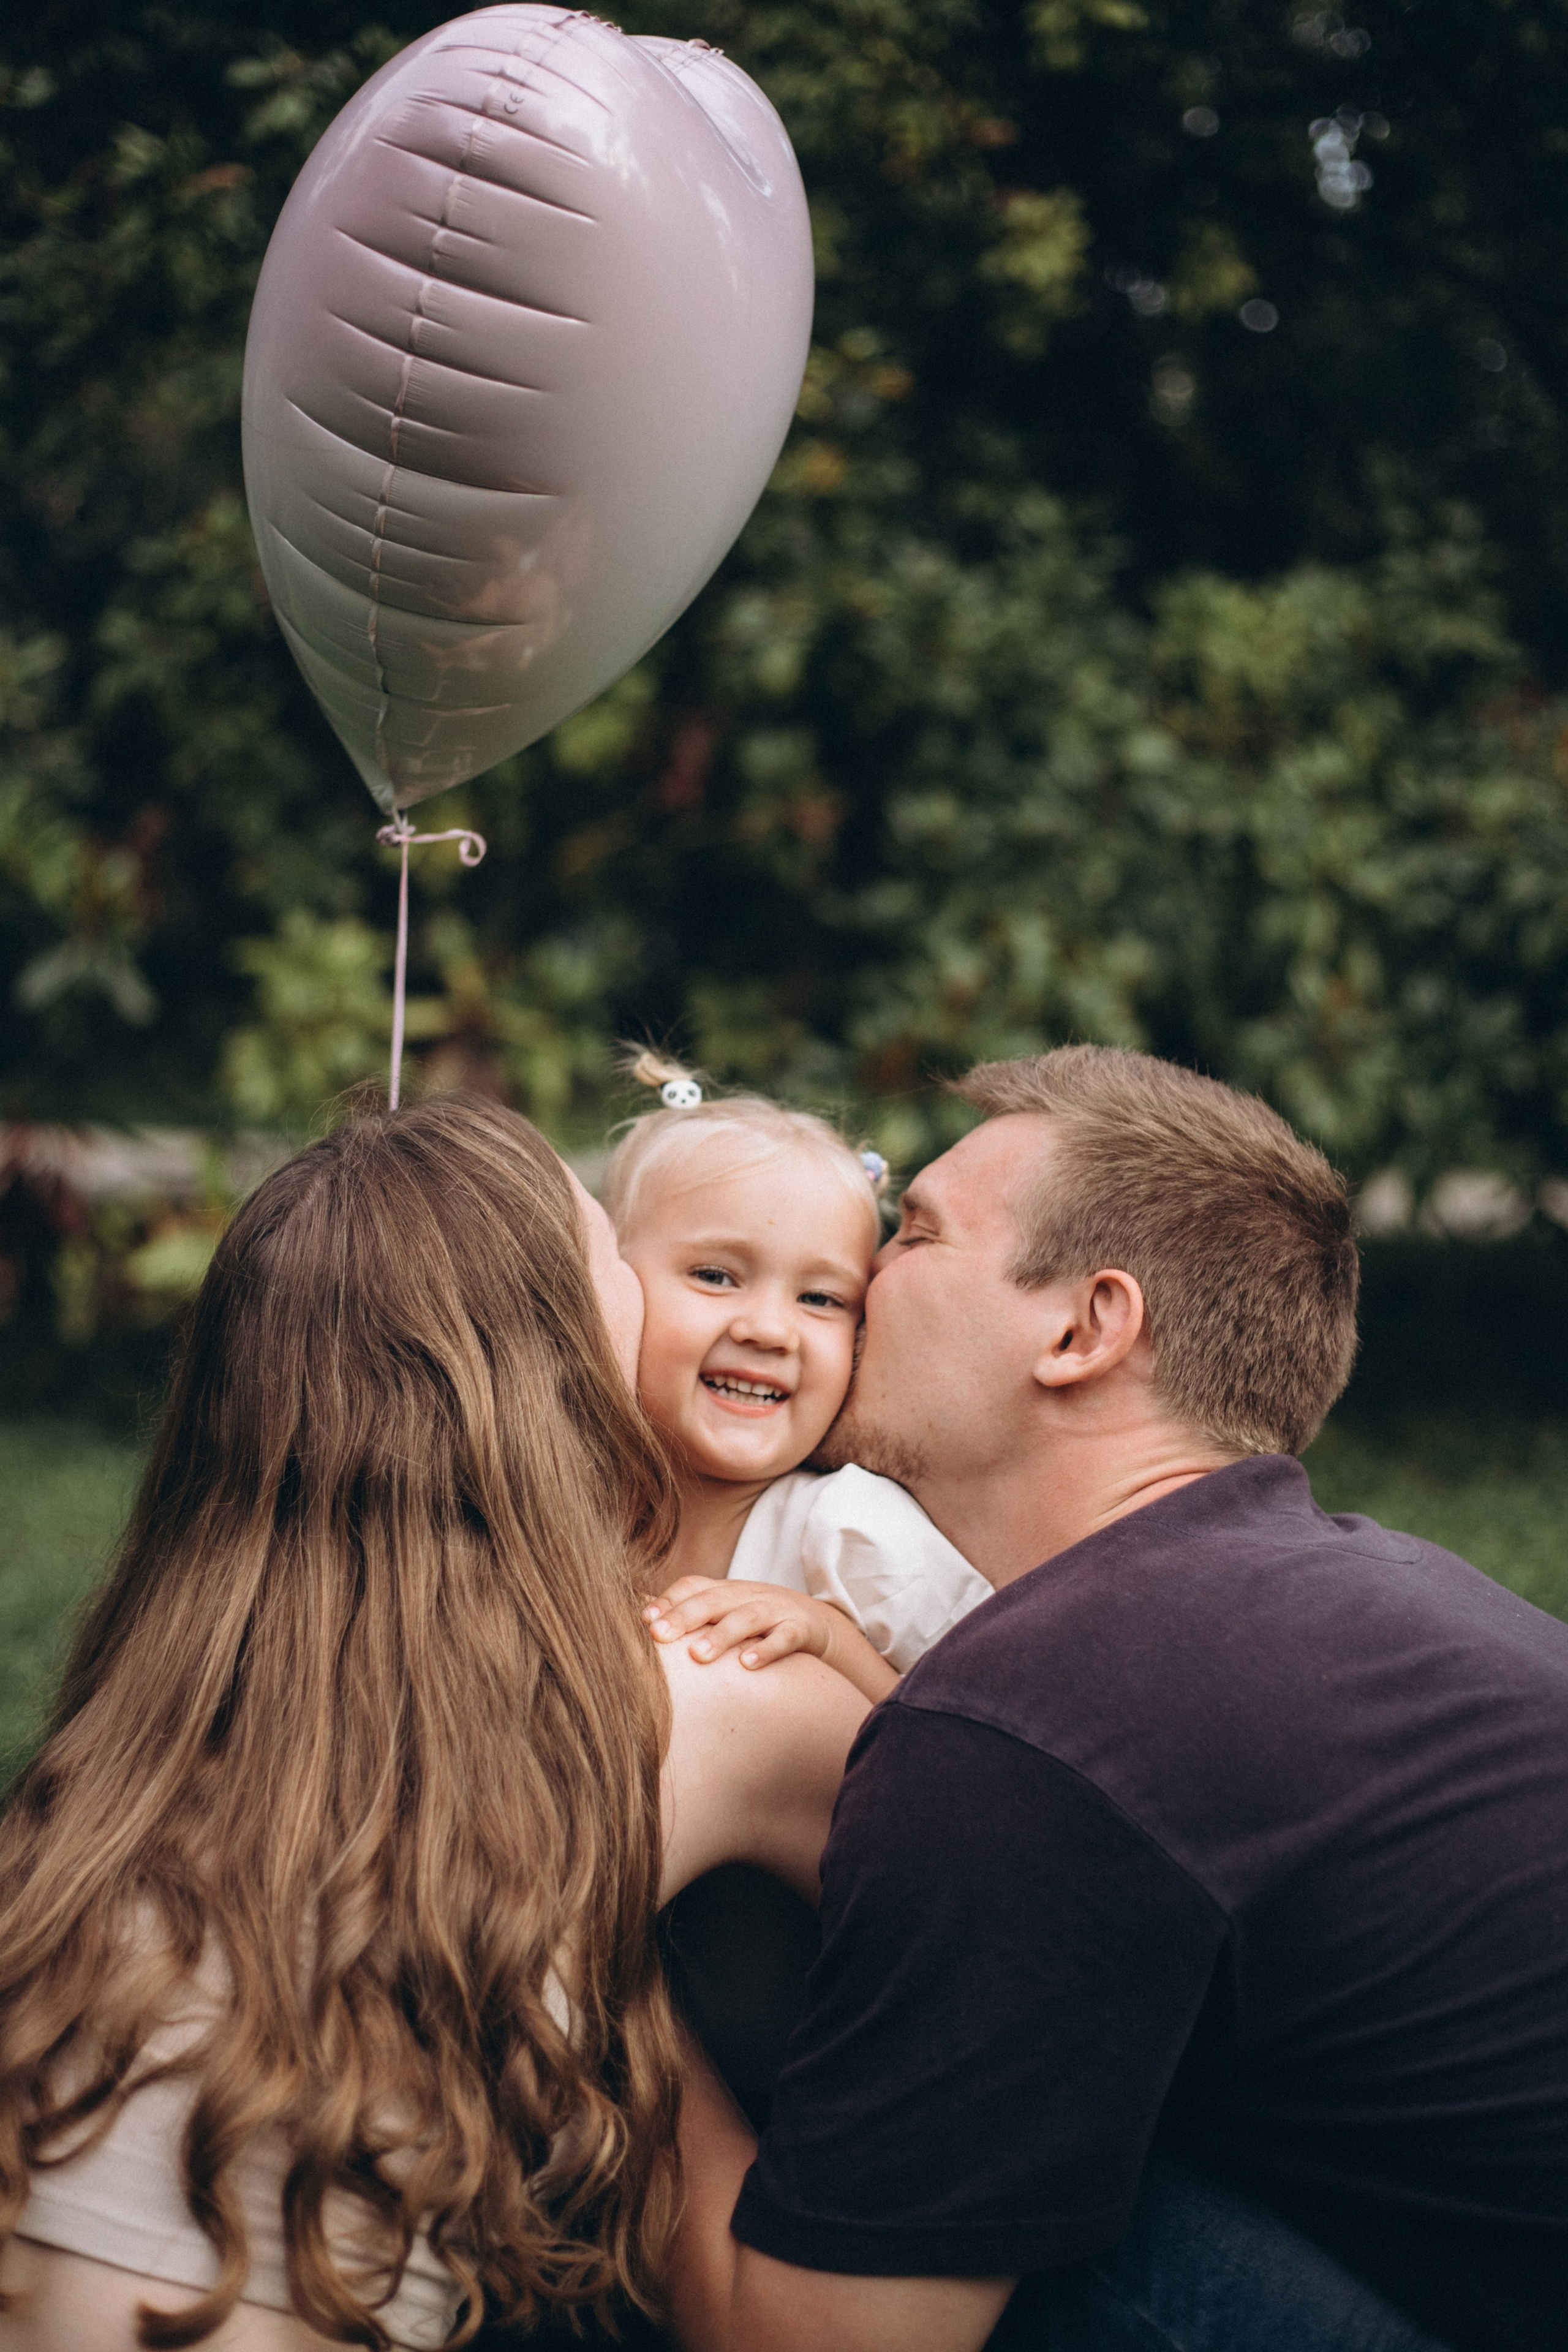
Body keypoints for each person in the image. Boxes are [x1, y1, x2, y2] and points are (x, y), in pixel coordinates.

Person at [665, 1046, 1568, 2352]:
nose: (860, 1277)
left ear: (1083, 1329)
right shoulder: (1366, 1596)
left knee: (969, 2216)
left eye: (912, 1236)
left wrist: (621, 2014)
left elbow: (803, 2344)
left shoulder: (1043, 1720)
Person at [0, 1095, 865, 2352]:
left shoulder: (145, 1733)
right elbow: (1019, 1895)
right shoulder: (689, 1691)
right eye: (607, 1257)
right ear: (552, 1359)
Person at [603, 1055, 991, 1701]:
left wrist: (828, 1640)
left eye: (820, 1299)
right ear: (612, 1284)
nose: (769, 1330)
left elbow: (979, 1727)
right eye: (716, 1276)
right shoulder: (559, 1501)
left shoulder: (850, 1534)